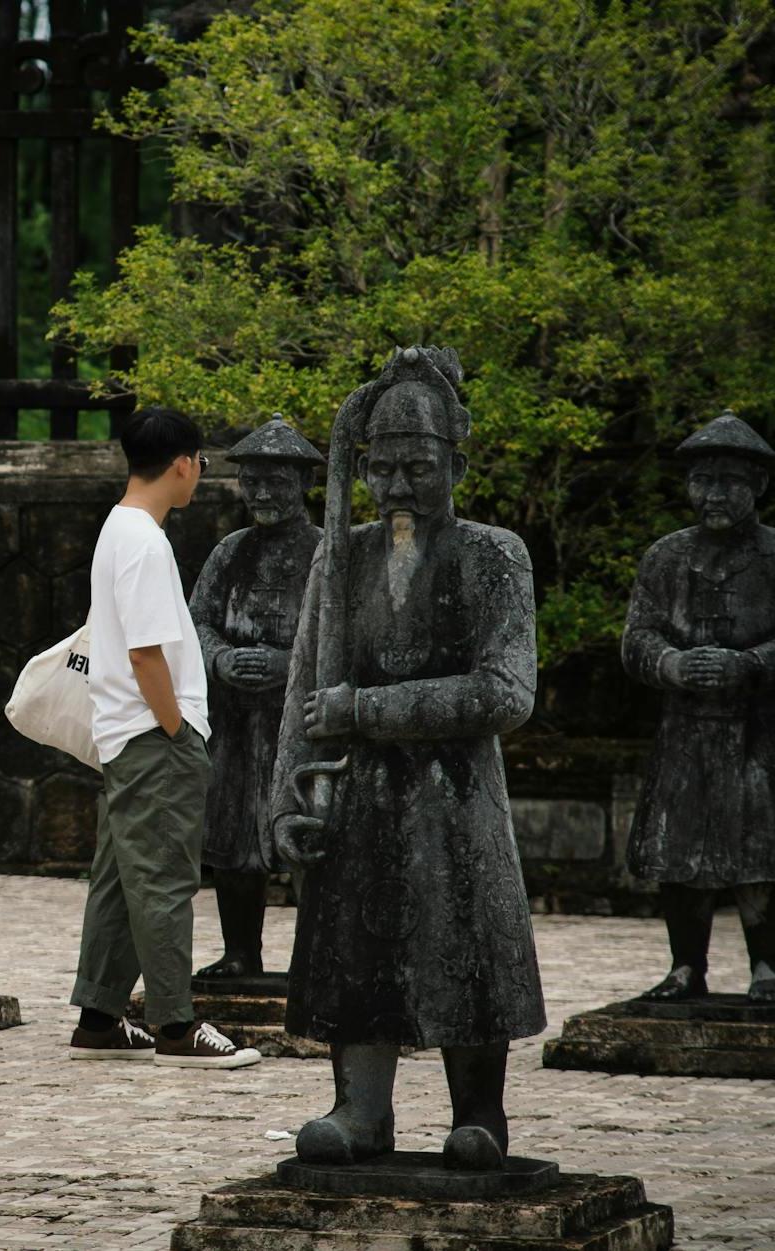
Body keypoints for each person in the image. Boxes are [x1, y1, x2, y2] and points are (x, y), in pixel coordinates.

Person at [269, 346, 543, 1170]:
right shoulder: (340, 556)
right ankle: (360, 1108)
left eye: (417, 468)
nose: (396, 487)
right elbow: (303, 685)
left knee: (468, 941)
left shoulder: (496, 557)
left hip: (457, 795)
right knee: (357, 944)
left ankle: (481, 1113)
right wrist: (285, 797)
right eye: (381, 469)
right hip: (357, 798)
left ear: (454, 460)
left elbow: (506, 691)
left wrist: (371, 711)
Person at [68, 408, 261, 1067]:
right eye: (201, 461)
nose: (201, 473)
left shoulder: (117, 529)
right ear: (183, 461)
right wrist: (177, 728)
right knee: (163, 879)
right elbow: (149, 654)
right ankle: (176, 1024)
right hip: (155, 736)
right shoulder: (145, 542)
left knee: (122, 878)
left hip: (130, 734)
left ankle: (98, 1017)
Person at [622, 411, 775, 1003]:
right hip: (685, 728)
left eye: (727, 482)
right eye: (701, 481)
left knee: (760, 848)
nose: (711, 494)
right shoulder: (666, 558)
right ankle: (686, 965)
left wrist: (752, 664)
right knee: (676, 847)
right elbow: (637, 638)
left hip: (759, 731)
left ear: (758, 486)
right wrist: (672, 664)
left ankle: (767, 966)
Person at [188, 418, 324, 979]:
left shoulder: (329, 554)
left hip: (303, 725)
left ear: (303, 485)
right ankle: (241, 951)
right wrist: (220, 658)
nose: (263, 493)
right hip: (236, 722)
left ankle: (318, 957)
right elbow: (194, 622)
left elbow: (347, 641)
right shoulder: (229, 552)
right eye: (253, 482)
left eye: (276, 482)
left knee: (308, 836)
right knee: (235, 839)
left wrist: (287, 666)